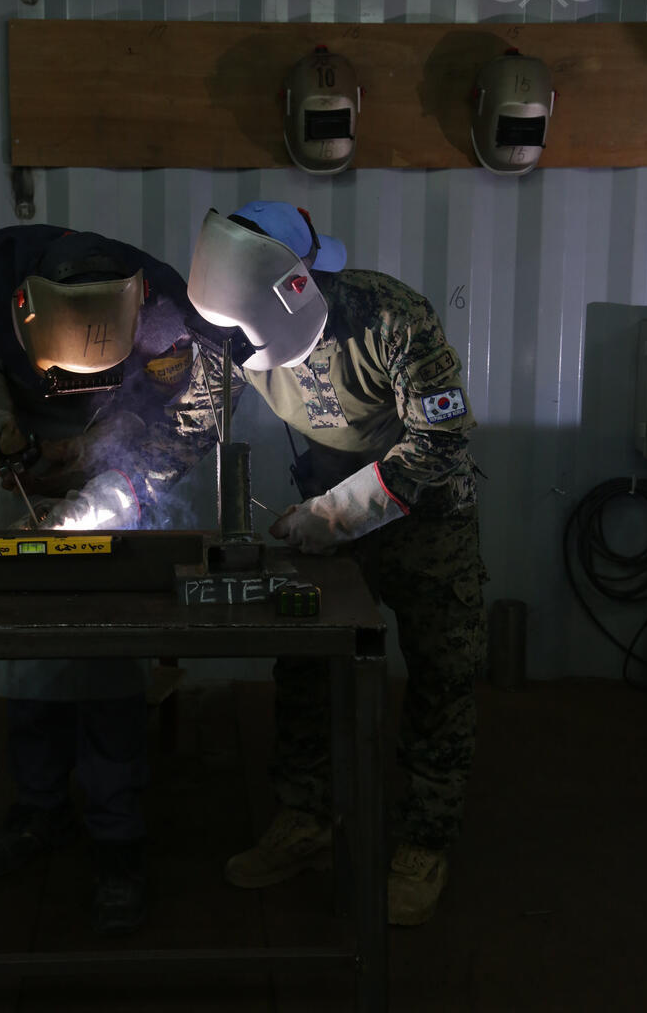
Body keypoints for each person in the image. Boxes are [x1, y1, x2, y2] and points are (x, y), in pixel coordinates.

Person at [113, 200, 488, 926]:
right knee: (307, 663)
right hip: (327, 517)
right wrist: (118, 489)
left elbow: (441, 441)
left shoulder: (390, 317)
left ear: (298, 288)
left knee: (443, 672)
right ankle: (306, 818)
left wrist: (337, 513)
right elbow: (193, 423)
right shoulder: (227, 327)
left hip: (428, 517)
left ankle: (424, 841)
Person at [0, 224, 195, 935]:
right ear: (22, 309)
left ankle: (117, 838)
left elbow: (181, 425)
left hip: (118, 457)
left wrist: (112, 482)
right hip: (29, 455)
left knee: (106, 653)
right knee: (32, 639)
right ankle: (38, 811)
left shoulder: (165, 305)